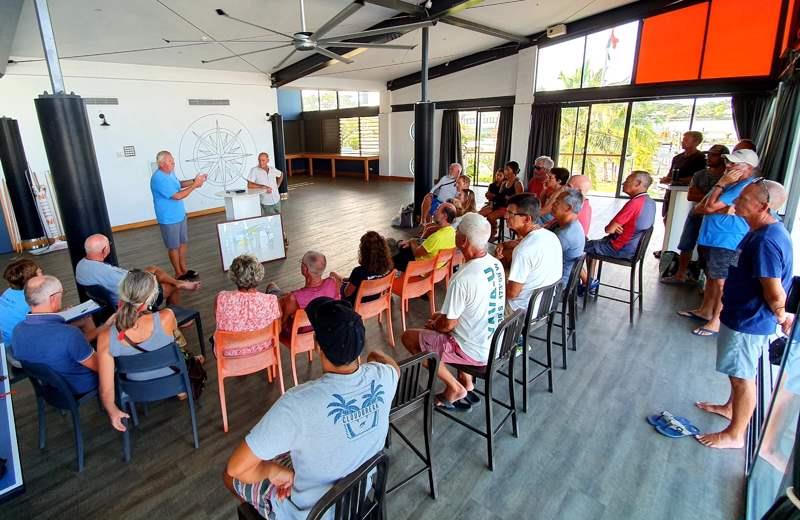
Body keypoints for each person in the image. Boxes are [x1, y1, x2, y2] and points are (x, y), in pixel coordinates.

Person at [223, 297, 399, 519]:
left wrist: (271, 470)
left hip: (312, 513)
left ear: (317, 346)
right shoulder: (383, 377)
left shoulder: (296, 405)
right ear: (361, 344)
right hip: (359, 494)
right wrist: (375, 356)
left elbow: (236, 468)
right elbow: (393, 366)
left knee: (229, 477)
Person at [695, 180, 793, 449]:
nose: (736, 202)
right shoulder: (760, 230)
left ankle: (735, 434)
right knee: (738, 371)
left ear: (764, 206)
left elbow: (774, 290)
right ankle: (730, 408)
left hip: (749, 319)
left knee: (742, 377)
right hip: (741, 313)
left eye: (744, 199)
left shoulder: (766, 241)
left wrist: (782, 315)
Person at [401, 213, 505, 409]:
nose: (455, 234)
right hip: (493, 341)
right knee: (439, 319)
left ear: (463, 241)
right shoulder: (495, 264)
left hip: (474, 350)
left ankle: (455, 387)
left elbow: (448, 324)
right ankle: (467, 381)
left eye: (457, 232)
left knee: (409, 338)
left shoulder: (463, 278)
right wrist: (438, 321)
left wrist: (436, 325)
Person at [97, 270, 193, 431]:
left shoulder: (106, 337)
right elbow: (175, 337)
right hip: (172, 379)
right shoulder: (166, 317)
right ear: (152, 296)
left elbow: (106, 390)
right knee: (180, 348)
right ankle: (181, 390)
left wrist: (112, 411)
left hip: (134, 388)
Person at [679, 149, 760, 337]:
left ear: (748, 168)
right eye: (728, 162)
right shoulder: (732, 184)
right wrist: (720, 188)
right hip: (713, 236)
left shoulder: (744, 186)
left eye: (734, 164)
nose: (728, 166)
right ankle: (705, 310)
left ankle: (716, 320)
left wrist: (721, 184)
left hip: (727, 239)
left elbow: (708, 207)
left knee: (722, 281)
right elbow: (701, 208)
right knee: (712, 278)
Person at [11, 275, 98, 395]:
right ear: (53, 299)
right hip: (81, 385)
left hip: (50, 387)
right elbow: (100, 366)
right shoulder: (69, 334)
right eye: (62, 293)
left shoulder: (17, 330)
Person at [661, 144, 729, 285]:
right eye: (709, 154)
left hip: (716, 218)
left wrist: (707, 198)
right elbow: (691, 195)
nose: (709, 157)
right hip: (696, 213)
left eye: (713, 154)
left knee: (708, 248)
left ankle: (704, 280)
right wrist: (714, 197)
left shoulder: (727, 178)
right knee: (686, 243)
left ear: (723, 157)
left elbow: (727, 199)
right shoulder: (700, 174)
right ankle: (681, 274)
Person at [75, 234, 200, 306]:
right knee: (171, 286)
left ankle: (178, 282)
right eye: (109, 245)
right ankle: (174, 317)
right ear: (104, 251)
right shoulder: (108, 273)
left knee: (154, 269)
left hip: (123, 290)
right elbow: (136, 283)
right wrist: (150, 278)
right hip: (135, 298)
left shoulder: (81, 266)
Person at [583, 172, 656, 293]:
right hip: (635, 248)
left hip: (620, 248)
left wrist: (615, 227)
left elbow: (609, 229)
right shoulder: (650, 202)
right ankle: (589, 283)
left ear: (638, 184)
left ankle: (587, 283)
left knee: (578, 247)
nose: (623, 183)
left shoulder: (634, 203)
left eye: (627, 180)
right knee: (591, 245)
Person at [495, 194, 562, 311]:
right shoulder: (550, 236)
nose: (505, 216)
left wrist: (491, 288)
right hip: (546, 305)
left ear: (527, 219)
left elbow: (512, 294)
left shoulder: (523, 251)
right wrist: (503, 244)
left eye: (511, 213)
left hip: (520, 311)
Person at [149, 150, 207, 280]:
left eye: (172, 160)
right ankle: (178, 273)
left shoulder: (170, 173)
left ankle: (183, 268)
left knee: (182, 242)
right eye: (170, 161)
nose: (173, 163)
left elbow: (179, 185)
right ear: (161, 164)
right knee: (173, 246)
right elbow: (177, 195)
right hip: (168, 218)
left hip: (179, 214)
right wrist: (194, 186)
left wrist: (194, 181)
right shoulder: (159, 178)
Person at [215, 255, 281, 357]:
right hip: (263, 350)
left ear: (233, 275)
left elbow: (219, 322)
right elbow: (278, 330)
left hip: (229, 354)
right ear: (259, 275)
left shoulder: (221, 299)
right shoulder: (271, 301)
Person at [268, 251, 340, 330]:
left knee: (271, 286)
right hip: (324, 329)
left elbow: (282, 322)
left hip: (297, 334)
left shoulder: (294, 298)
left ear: (305, 269)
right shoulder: (332, 282)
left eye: (302, 263)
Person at [332, 231, 394, 306]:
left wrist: (339, 285)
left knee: (332, 277)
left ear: (364, 252)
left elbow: (347, 293)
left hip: (356, 304)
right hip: (376, 300)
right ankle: (342, 279)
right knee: (339, 278)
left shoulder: (359, 272)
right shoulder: (388, 267)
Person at [392, 203, 456, 272]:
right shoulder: (452, 232)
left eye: (437, 210)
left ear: (445, 216)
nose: (434, 211)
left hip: (419, 267)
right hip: (434, 266)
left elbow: (417, 252)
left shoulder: (437, 237)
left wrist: (412, 241)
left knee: (397, 248)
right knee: (400, 245)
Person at [660, 131, 706, 219]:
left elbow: (697, 178)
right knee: (667, 217)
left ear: (696, 142)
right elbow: (670, 175)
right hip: (671, 193)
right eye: (683, 140)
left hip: (685, 195)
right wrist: (666, 179)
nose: (682, 142)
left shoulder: (700, 158)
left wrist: (678, 180)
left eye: (686, 140)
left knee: (677, 218)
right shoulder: (677, 158)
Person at [247, 152, 289, 248]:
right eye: (259, 160)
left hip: (277, 200)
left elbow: (281, 174)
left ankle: (283, 237)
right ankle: (273, 240)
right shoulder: (254, 170)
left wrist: (278, 185)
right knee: (270, 222)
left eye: (263, 160)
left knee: (279, 219)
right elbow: (249, 185)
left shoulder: (272, 169)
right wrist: (262, 186)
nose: (260, 162)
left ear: (268, 160)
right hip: (266, 202)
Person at [0, 258, 41, 347]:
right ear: (31, 279)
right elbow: (46, 324)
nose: (41, 272)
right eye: (39, 272)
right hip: (22, 346)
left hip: (7, 342)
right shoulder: (31, 298)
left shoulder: (8, 291)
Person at [551, 189, 587, 287]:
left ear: (568, 208)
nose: (553, 204)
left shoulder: (564, 235)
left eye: (557, 202)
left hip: (557, 284)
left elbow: (541, 257)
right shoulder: (573, 224)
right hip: (564, 277)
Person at [479, 161, 523, 242]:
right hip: (499, 205)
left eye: (507, 169)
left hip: (508, 208)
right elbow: (499, 196)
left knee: (490, 217)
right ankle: (482, 234)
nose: (505, 171)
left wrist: (507, 198)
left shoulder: (517, 183)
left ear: (513, 171)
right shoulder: (504, 183)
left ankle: (493, 233)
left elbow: (519, 200)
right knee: (480, 214)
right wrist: (491, 197)